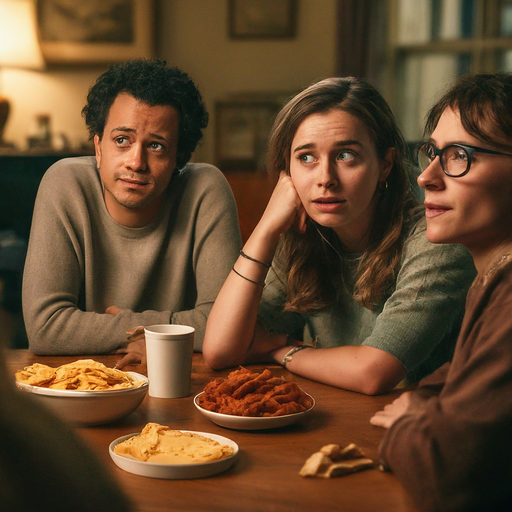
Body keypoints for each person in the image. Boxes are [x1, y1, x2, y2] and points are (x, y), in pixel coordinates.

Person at [202, 77, 476, 395]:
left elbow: (373, 373)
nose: (326, 179)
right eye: (306, 157)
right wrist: (266, 228)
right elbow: (220, 350)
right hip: (336, 421)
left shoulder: (434, 243)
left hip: (415, 432)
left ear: (385, 164)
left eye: (346, 155)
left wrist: (284, 352)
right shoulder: (302, 238)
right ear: (286, 173)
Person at [22, 59, 241, 363]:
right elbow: (45, 328)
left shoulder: (206, 189)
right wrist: (154, 332)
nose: (136, 162)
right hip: (83, 382)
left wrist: (125, 327)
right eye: (122, 140)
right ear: (98, 147)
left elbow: (229, 325)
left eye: (156, 146)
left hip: (183, 378)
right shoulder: (65, 184)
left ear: (180, 157)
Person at [370, 73, 512, 511]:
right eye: (434, 153)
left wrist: (406, 429)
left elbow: (447, 475)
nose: (426, 177)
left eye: (460, 156)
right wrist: (426, 417)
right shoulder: (491, 277)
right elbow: (442, 388)